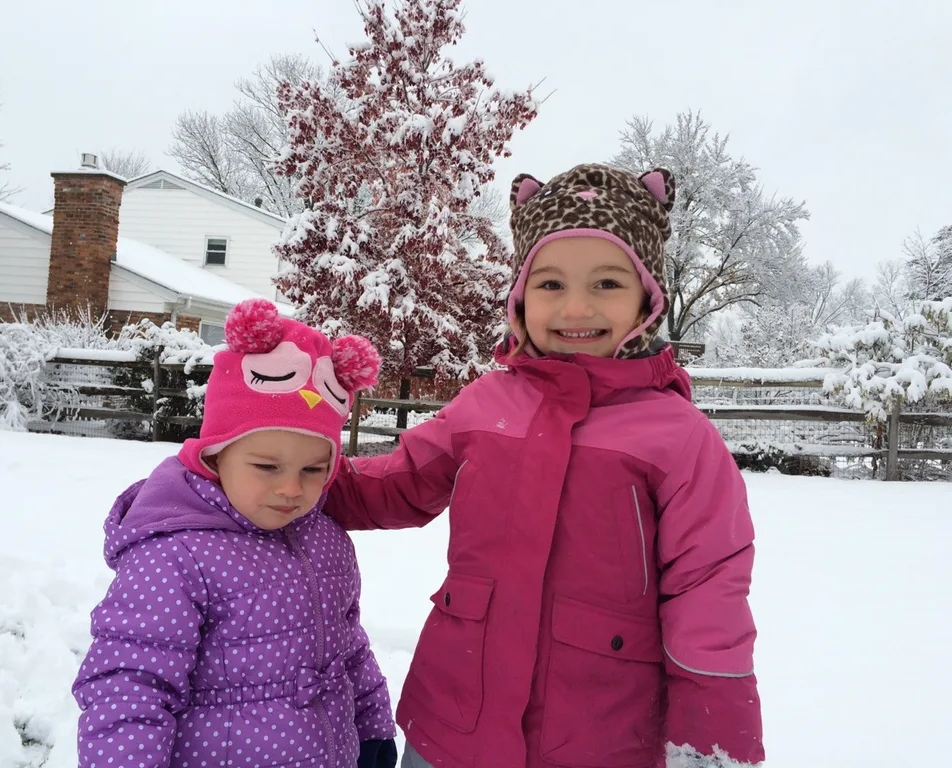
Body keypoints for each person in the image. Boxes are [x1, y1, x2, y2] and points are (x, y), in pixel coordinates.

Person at [324, 163, 765, 768]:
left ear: (648, 297)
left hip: (600, 740)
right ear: (520, 295)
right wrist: (276, 474)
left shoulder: (679, 438)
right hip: (453, 726)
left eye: (607, 283)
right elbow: (396, 484)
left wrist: (711, 746)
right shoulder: (486, 403)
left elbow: (707, 593)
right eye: (551, 284)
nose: (576, 306)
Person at [72, 298, 398, 768]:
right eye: (267, 466)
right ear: (215, 455)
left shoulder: (326, 541)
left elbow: (349, 651)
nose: (291, 488)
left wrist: (372, 731)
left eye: (314, 468)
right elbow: (128, 688)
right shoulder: (174, 556)